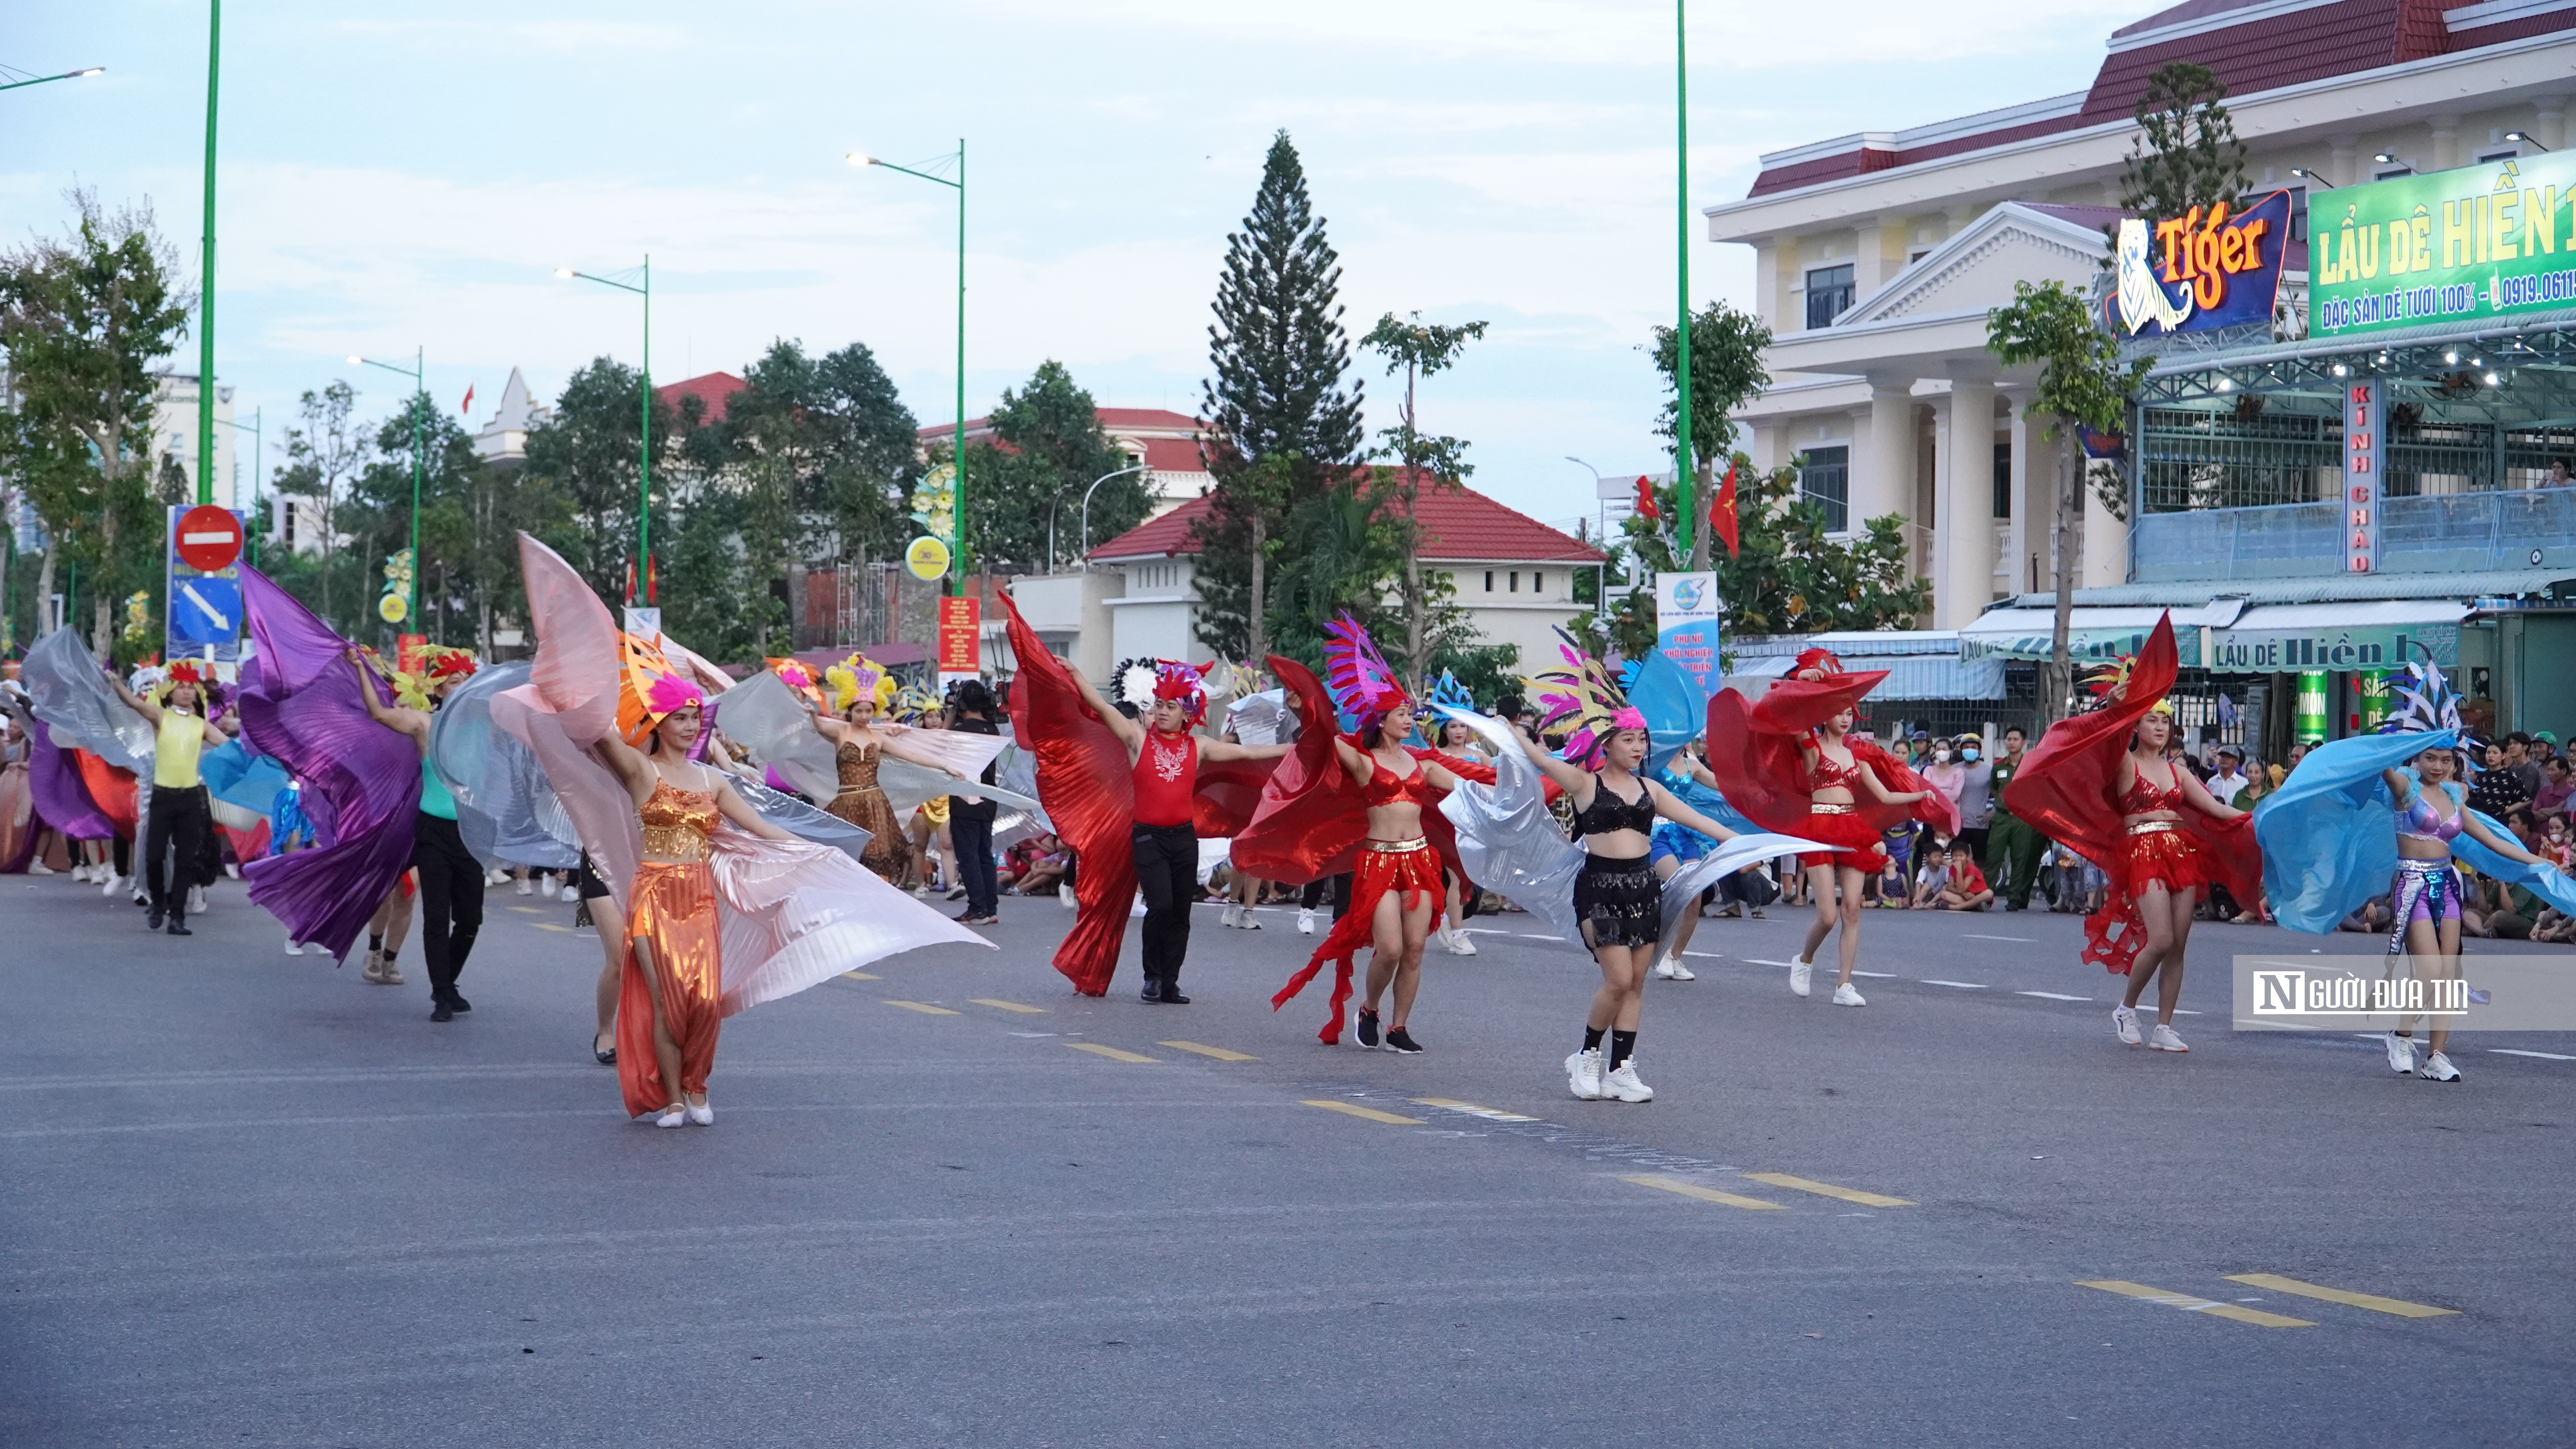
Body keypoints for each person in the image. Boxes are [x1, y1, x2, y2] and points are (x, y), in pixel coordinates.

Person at [2008, 615, 2258, 1055]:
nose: (2160, 727)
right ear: (2137, 727)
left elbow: (2219, 809)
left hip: (2180, 849)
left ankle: (2164, 1026)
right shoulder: (2125, 763)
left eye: (2165, 721)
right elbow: (2099, 743)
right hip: (2142, 848)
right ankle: (2127, 1007)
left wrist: (2258, 818)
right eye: (2151, 720)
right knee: (2159, 938)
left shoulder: (2179, 770)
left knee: (2179, 944)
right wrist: (2115, 709)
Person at [1058, 657, 1287, 1003]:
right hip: (1148, 837)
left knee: (1181, 913)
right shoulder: (1137, 739)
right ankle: (1152, 977)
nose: (1162, 712)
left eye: (1171, 706)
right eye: (1159, 705)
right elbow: (1102, 708)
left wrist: (1294, 749)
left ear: (1188, 713)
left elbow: (1250, 751)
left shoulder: (1199, 747)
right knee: (1161, 905)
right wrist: (1077, 673)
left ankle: (1170, 982)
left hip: (1183, 839)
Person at [348, 644, 485, 1022]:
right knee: (437, 916)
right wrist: (361, 667)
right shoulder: (425, 724)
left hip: (471, 832)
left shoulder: (488, 729)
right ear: (440, 691)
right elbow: (378, 712)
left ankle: (448, 982)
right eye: (455, 682)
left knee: (471, 918)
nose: (464, 687)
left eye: (468, 681)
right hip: (434, 830)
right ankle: (442, 992)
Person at [107, 662, 226, 936]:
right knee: (154, 856)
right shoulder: (161, 717)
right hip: (162, 797)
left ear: (197, 694)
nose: (186, 692)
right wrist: (115, 682)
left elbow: (231, 746)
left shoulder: (202, 726)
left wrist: (260, 751)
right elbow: (134, 704)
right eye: (181, 687)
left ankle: (178, 916)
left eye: (191, 688)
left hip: (190, 799)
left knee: (186, 860)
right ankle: (158, 903)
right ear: (170, 693)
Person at [811, 657, 942, 884]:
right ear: (850, 710)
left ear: (875, 711)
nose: (864, 716)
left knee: (879, 855)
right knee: (846, 855)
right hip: (847, 802)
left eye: (868, 711)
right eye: (859, 711)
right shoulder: (840, 733)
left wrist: (944, 765)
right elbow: (820, 726)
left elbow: (911, 756)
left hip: (875, 802)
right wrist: (810, 712)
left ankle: (877, 897)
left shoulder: (879, 737)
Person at [945, 679, 1003, 925]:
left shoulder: (960, 730)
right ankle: (989, 908)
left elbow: (937, 743)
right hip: (989, 799)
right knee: (984, 855)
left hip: (965, 799)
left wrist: (949, 716)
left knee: (968, 855)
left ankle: (977, 908)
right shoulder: (993, 730)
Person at [1983, 726, 2046, 910]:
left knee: (2020, 859)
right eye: (2009, 739)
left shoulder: (2031, 766)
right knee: (1994, 856)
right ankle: (1987, 895)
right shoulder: (1999, 767)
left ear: (2023, 743)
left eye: (2015, 740)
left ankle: (2015, 899)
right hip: (2002, 817)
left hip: (2022, 819)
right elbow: (1995, 788)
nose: (2011, 743)